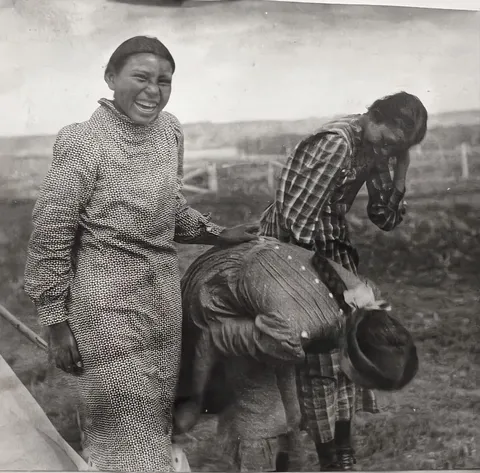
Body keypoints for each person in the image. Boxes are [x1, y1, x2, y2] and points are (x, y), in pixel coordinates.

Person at [23, 35, 258, 472]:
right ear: (111, 78)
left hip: (162, 300)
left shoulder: (169, 130)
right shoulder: (82, 142)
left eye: (164, 81)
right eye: (141, 77)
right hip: (105, 304)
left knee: (152, 419)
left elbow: (168, 207)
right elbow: (50, 235)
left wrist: (217, 233)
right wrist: (56, 322)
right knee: (125, 427)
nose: (154, 90)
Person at [259, 91, 428, 471]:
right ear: (375, 114)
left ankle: (343, 446)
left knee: (351, 343)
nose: (388, 149)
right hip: (289, 249)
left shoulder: (377, 145)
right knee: (321, 352)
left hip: (330, 247)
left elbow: (384, 218)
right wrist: (341, 287)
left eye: (397, 147)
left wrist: (400, 170)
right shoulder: (336, 143)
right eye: (389, 140)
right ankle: (326, 455)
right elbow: (296, 224)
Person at [173, 238, 419, 471]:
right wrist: (195, 399)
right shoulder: (294, 333)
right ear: (353, 359)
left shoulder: (365, 300)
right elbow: (214, 338)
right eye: (366, 381)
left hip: (270, 281)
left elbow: (319, 266)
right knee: (260, 410)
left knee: (289, 407)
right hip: (218, 286)